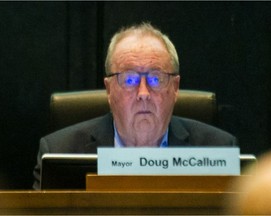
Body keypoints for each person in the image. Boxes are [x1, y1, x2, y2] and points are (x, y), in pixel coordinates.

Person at [33, 22, 237, 189]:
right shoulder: (61, 152)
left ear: (175, 88)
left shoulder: (218, 150)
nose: (143, 94)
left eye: (156, 79)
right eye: (129, 80)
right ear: (109, 90)